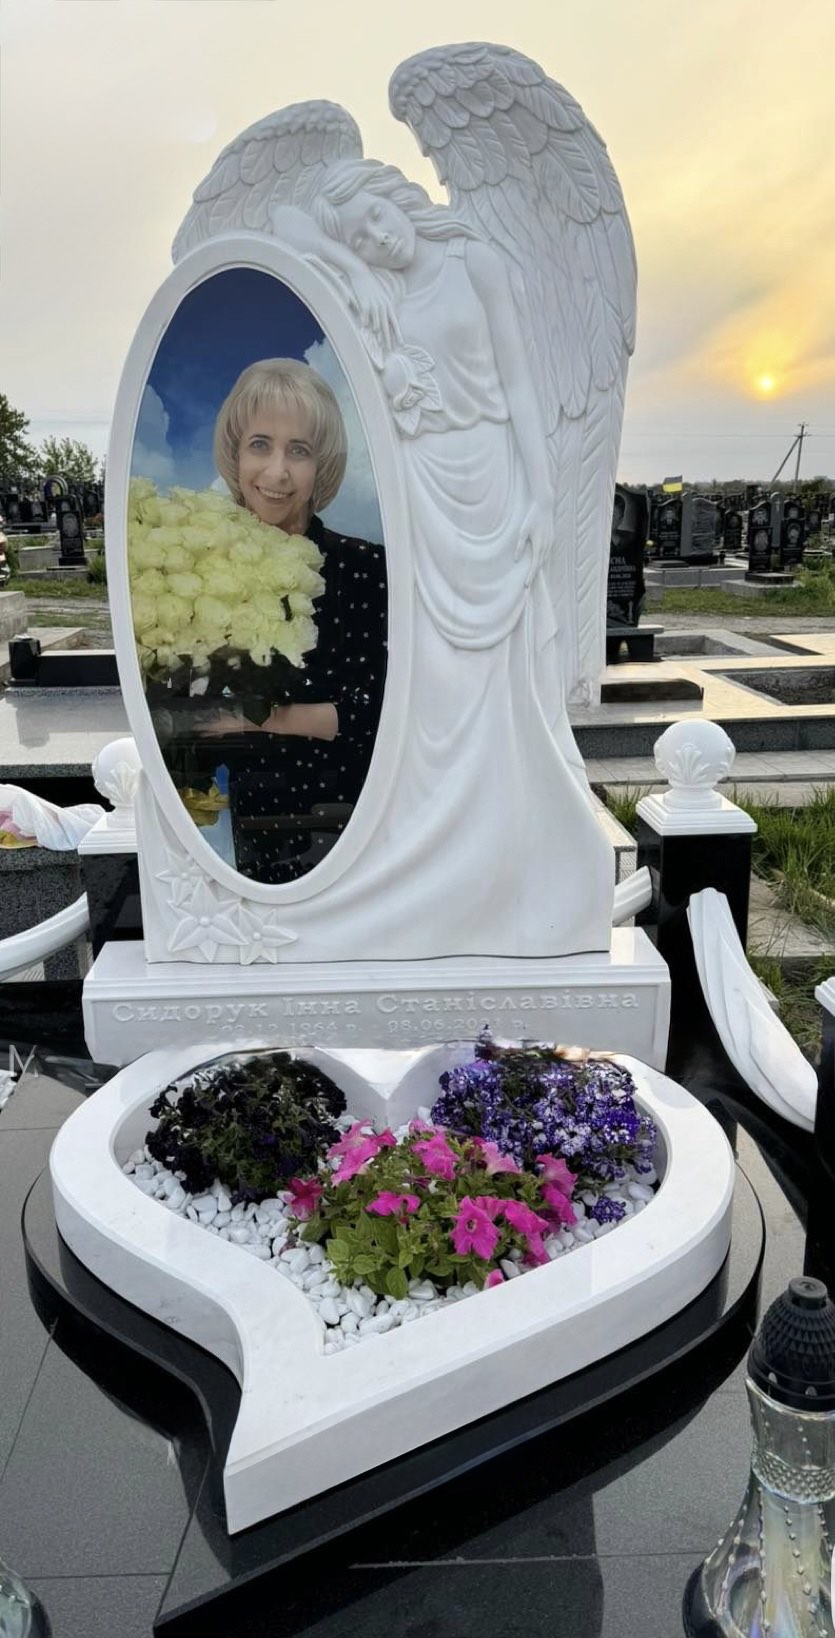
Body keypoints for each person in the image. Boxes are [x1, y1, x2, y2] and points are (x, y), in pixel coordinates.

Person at [265, 165, 614, 958]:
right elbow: (286, 220)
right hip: (421, 482)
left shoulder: (471, 261)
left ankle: (514, 854)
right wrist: (349, 262)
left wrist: (540, 496)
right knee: (434, 674)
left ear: (397, 196)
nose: (375, 237)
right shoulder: (371, 289)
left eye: (374, 218)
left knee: (499, 670)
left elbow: (520, 387)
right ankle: (434, 851)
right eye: (357, 235)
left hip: (489, 471)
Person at [165, 358, 387, 884]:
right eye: (260, 445)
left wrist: (253, 718)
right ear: (235, 454)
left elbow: (376, 717)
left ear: (322, 465)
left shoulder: (364, 568)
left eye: (299, 450)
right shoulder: (197, 573)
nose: (277, 472)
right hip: (241, 831)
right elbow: (179, 713)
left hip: (350, 823)